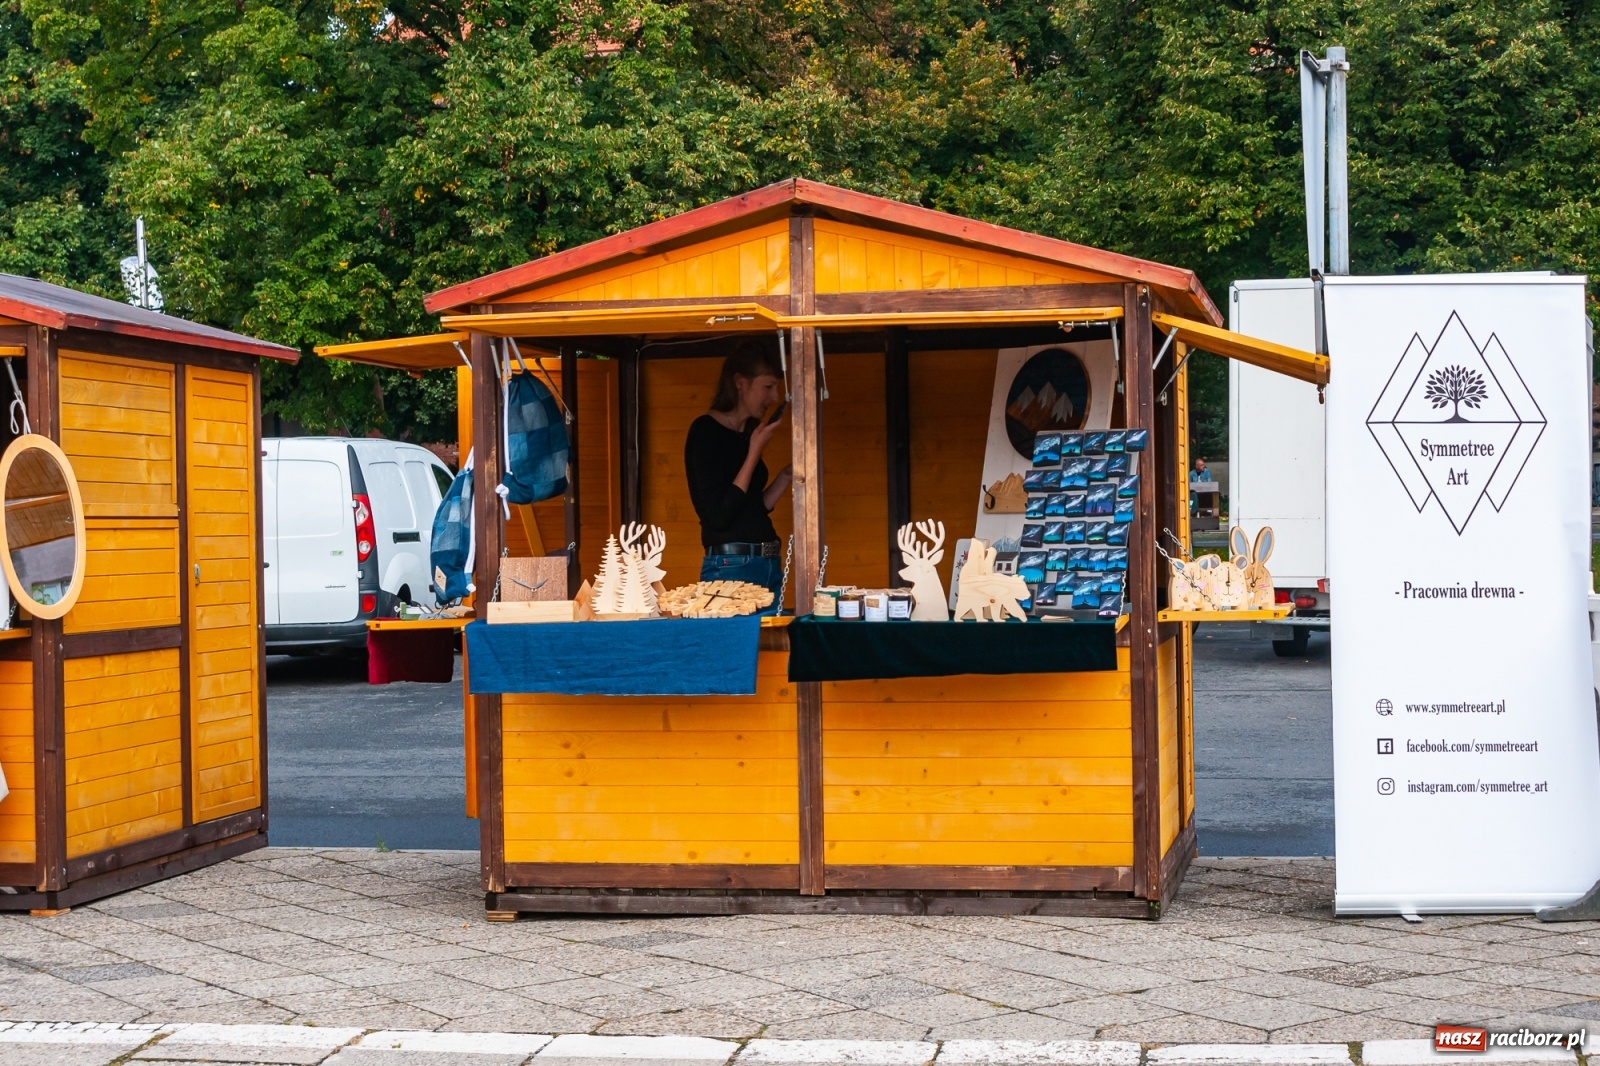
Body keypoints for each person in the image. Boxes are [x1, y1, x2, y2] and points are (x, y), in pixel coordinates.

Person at [685, 343, 793, 596]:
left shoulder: (747, 432)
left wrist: (787, 475)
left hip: (767, 562)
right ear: (740, 383)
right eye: (768, 386)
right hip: (731, 566)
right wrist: (754, 452)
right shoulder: (705, 431)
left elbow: (752, 507)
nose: (774, 397)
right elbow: (719, 516)